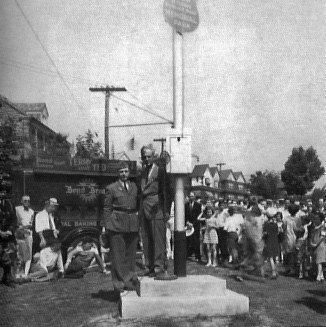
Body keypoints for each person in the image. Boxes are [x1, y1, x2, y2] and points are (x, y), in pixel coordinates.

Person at [103, 161, 140, 295]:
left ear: (129, 173)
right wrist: (107, 226)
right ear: (118, 174)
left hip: (132, 224)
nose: (124, 174)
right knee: (118, 256)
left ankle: (129, 281)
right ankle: (119, 285)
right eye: (121, 172)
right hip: (117, 224)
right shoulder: (111, 188)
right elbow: (107, 208)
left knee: (130, 255)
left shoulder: (134, 187)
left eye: (125, 171)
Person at [139, 145, 171, 277]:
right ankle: (149, 266)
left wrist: (166, 210)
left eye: (148, 157)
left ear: (153, 157)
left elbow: (167, 191)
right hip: (144, 207)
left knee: (158, 239)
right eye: (144, 157)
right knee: (146, 238)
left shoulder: (160, 171)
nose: (146, 159)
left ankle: (159, 267)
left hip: (156, 207)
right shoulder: (143, 172)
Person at [15, 195, 34, 276]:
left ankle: (25, 274)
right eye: (25, 200)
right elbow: (15, 222)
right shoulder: (17, 209)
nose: (27, 202)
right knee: (19, 254)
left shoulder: (32, 211)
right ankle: (17, 273)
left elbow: (31, 223)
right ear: (21, 201)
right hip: (20, 233)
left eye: (28, 201)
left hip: (28, 234)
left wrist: (28, 227)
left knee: (29, 254)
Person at [0, 198, 16, 287]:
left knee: (7, 259)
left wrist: (9, 231)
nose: (3, 193)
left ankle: (7, 279)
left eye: (5, 191)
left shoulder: (9, 204)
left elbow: (13, 219)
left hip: (6, 236)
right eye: (1, 191)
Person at [185, 191, 202, 262]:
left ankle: (198, 257)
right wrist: (187, 222)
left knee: (196, 242)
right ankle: (187, 255)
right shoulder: (186, 205)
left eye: (192, 196)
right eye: (190, 196)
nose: (191, 197)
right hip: (188, 226)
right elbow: (184, 215)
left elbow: (199, 216)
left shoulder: (198, 205)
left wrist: (193, 224)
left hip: (195, 226)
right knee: (188, 241)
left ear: (194, 197)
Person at [263, 208, 280, 279]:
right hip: (275, 241)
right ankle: (275, 271)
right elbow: (278, 232)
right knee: (274, 257)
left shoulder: (266, 224)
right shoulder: (276, 224)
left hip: (269, 241)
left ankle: (273, 272)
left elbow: (265, 233)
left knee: (270, 258)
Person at [310, 211, 326, 282]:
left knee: (319, 262)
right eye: (315, 219)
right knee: (316, 261)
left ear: (320, 219)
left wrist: (316, 244)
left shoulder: (323, 227)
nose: (315, 220)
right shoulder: (314, 227)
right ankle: (321, 276)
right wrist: (311, 242)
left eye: (317, 219)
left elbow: (322, 237)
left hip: (321, 246)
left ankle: (318, 277)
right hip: (314, 246)